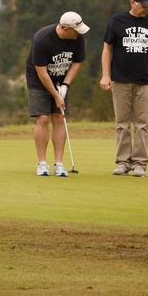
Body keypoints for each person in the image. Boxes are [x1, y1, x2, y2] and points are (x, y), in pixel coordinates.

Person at [100, 0, 148, 177]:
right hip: (120, 80)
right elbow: (107, 48)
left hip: (145, 80)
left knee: (142, 124)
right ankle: (123, 162)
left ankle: (140, 163)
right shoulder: (117, 20)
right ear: (133, 2)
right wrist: (105, 75)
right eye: (144, 6)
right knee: (122, 123)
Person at [26, 11, 89, 176]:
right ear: (66, 29)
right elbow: (41, 72)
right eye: (77, 29)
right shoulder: (42, 39)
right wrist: (55, 95)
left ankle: (59, 163)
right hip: (39, 81)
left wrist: (65, 86)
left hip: (62, 80)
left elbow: (76, 63)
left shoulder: (78, 38)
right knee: (43, 118)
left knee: (59, 118)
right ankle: (42, 163)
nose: (80, 32)